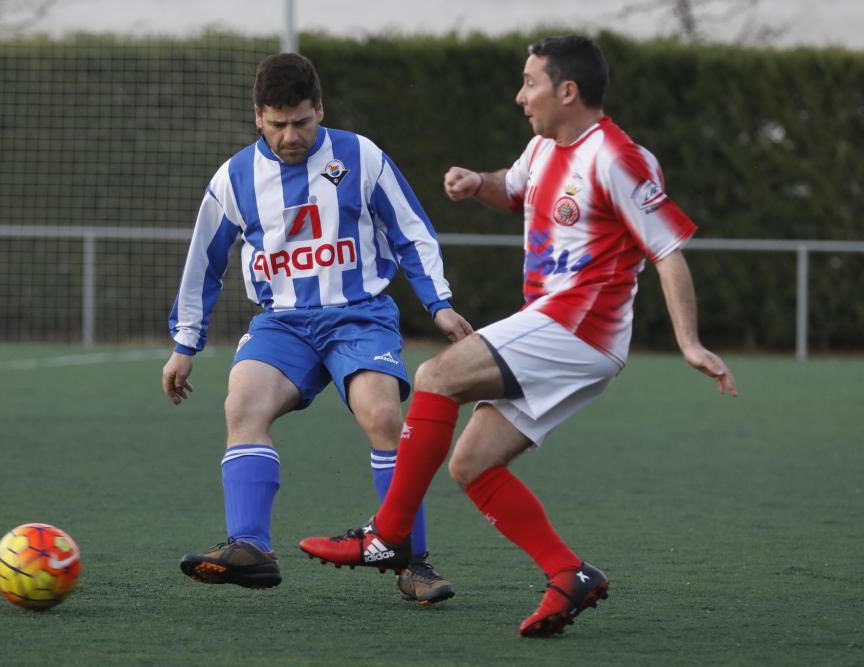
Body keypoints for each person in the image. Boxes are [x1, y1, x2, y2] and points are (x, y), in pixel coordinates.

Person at [299, 34, 738, 636]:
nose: (519, 95)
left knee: (435, 375)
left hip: (578, 325)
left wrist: (689, 342)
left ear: (568, 90)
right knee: (471, 465)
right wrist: (474, 183)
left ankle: (388, 536)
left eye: (530, 82)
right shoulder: (542, 148)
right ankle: (569, 574)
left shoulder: (617, 157)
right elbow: (512, 187)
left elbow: (667, 250)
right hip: (561, 330)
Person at [161, 52, 473, 605]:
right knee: (242, 407)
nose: (290, 136)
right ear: (258, 116)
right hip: (282, 323)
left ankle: (412, 561)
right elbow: (203, 263)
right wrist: (186, 343)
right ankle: (251, 548)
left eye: (302, 122)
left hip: (360, 315)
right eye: (278, 124)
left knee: (383, 415)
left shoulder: (360, 157)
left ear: (319, 109)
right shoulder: (234, 178)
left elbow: (411, 232)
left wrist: (439, 304)